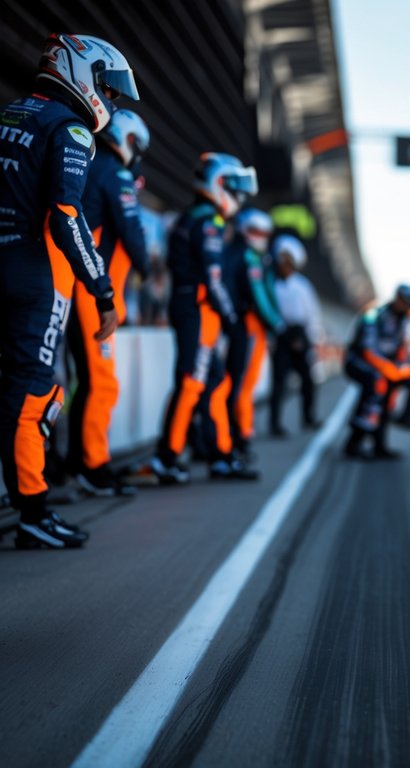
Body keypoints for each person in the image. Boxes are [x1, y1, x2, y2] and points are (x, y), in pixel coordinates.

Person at [0, 34, 138, 548]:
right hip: (32, 276)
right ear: (83, 74)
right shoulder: (71, 129)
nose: (111, 99)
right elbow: (66, 216)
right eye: (110, 87)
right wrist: (102, 290)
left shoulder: (11, 114)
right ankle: (33, 513)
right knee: (33, 392)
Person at [150, 152, 259, 484]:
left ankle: (221, 455)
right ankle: (167, 458)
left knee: (215, 382)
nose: (238, 197)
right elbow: (213, 280)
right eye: (235, 188)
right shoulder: (208, 221)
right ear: (219, 184)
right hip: (197, 310)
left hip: (194, 307)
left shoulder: (193, 217)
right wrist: (232, 317)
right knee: (192, 382)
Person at [65, 108, 150, 497]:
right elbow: (132, 231)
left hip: (79, 287)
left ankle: (75, 464)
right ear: (127, 139)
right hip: (93, 294)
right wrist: (147, 267)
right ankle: (93, 467)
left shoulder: (93, 165)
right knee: (101, 383)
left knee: (86, 381)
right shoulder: (115, 173)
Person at [220, 208, 285, 460]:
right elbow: (258, 296)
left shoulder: (243, 254)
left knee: (238, 382)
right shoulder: (248, 257)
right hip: (247, 326)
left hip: (241, 325)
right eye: (257, 232)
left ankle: (235, 436)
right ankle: (239, 437)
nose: (262, 237)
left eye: (265, 233)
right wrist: (276, 323)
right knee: (242, 384)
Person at [343, 284, 410, 460]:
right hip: (358, 362)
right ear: (398, 298)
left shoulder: (404, 318)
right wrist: (389, 370)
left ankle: (401, 422)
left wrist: (404, 367)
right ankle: (353, 444)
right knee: (376, 387)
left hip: (385, 366)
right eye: (407, 302)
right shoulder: (373, 314)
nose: (408, 307)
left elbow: (401, 348)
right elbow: (367, 351)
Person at [270, 234, 322, 435]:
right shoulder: (272, 284)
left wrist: (312, 339)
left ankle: (308, 417)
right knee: (279, 383)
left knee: (308, 380)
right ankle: (275, 423)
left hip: (300, 334)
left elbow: (312, 313)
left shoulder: (302, 286)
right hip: (281, 334)